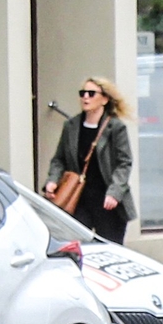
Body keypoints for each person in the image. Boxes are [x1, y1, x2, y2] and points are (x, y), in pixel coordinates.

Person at [49, 77, 134, 243]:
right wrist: (53, 180)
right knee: (78, 248)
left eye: (91, 93)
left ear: (104, 99)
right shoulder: (71, 126)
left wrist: (115, 192)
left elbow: (124, 163)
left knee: (110, 249)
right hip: (78, 199)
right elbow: (59, 159)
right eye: (82, 93)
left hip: (107, 202)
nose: (85, 97)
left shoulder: (116, 128)